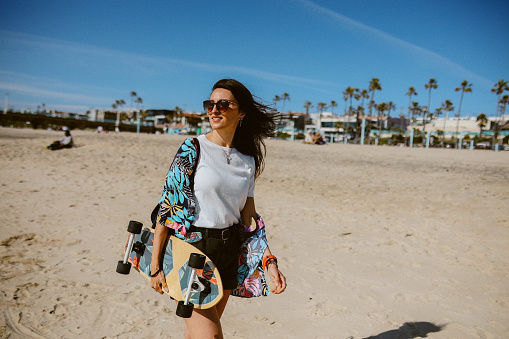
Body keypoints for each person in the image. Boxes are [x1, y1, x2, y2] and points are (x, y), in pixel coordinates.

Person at [150, 78, 286, 338]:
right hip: (192, 251)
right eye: (210, 104)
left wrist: (269, 261)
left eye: (223, 104)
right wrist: (156, 264)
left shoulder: (247, 160)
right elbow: (169, 207)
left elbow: (250, 219)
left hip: (229, 252)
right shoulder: (193, 148)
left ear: (241, 112)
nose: (214, 110)